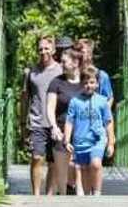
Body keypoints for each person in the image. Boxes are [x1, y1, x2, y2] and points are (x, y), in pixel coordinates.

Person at [18, 35, 70, 195]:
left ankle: (48, 197)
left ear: (53, 50)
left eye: (46, 48)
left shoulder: (61, 70)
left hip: (56, 122)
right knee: (36, 157)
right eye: (40, 49)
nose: (43, 52)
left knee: (53, 162)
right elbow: (25, 98)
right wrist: (22, 123)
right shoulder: (30, 72)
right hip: (36, 121)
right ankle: (36, 196)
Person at [62, 65, 116, 196]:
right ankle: (88, 197)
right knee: (84, 169)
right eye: (85, 82)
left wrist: (110, 142)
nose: (88, 85)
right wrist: (66, 140)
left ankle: (97, 194)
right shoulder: (75, 101)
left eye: (92, 82)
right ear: (81, 84)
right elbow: (69, 122)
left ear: (97, 84)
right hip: (80, 141)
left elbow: (108, 122)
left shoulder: (102, 101)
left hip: (97, 139)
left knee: (96, 164)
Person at [43, 47, 83, 195]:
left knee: (78, 168)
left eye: (64, 61)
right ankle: (64, 195)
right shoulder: (56, 82)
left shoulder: (86, 82)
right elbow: (49, 108)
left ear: (75, 62)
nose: (61, 64)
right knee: (61, 173)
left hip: (81, 131)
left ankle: (79, 195)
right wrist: (53, 127)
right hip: (60, 130)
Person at [75, 38, 114, 110]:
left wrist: (103, 116)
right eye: (76, 52)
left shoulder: (101, 76)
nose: (78, 55)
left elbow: (109, 99)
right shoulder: (72, 76)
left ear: (90, 54)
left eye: (81, 52)